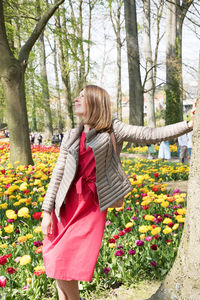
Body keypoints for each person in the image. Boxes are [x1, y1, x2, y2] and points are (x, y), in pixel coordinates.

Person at [41, 85, 195, 300]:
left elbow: (149, 134)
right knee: (57, 260)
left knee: (64, 260)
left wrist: (189, 125)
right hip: (65, 203)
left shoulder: (113, 129)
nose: (76, 98)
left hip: (91, 206)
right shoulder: (71, 136)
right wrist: (47, 211)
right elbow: (58, 173)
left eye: (82, 96)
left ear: (95, 102)